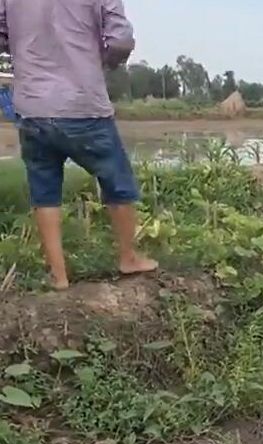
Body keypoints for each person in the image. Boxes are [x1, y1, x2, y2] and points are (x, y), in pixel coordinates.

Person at [0, 0, 158, 290]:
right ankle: (128, 257)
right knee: (117, 180)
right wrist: (100, 60)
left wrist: (24, 52)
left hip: (32, 105)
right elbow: (121, 41)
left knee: (44, 190)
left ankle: (59, 276)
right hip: (82, 102)